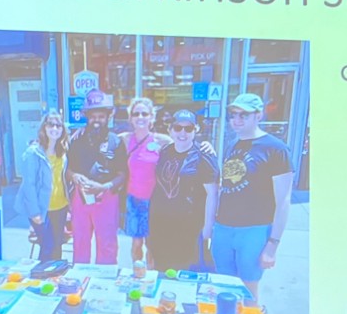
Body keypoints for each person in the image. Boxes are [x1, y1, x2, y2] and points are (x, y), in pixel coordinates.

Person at [204, 90, 296, 290]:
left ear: (258, 115)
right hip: (224, 228)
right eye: (234, 115)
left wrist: (272, 245)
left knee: (248, 290)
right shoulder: (232, 145)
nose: (236, 120)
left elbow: (283, 201)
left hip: (254, 231)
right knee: (224, 287)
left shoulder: (276, 149)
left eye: (243, 115)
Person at [147, 108, 215, 272]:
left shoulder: (203, 156)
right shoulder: (164, 151)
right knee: (161, 269)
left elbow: (212, 194)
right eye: (178, 128)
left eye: (188, 128)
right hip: (160, 224)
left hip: (188, 228)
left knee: (186, 274)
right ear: (170, 130)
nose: (182, 133)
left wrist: (208, 228)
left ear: (195, 130)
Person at [67, 89, 127, 265]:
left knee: (107, 244)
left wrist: (105, 186)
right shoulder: (76, 140)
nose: (96, 121)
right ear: (86, 116)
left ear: (108, 117)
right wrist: (75, 176)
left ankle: (104, 283)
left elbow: (122, 175)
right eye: (93, 116)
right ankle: (79, 279)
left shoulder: (116, 141)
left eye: (101, 116)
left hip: (107, 198)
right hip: (81, 197)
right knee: (80, 242)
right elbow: (68, 169)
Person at [18, 106, 70, 261]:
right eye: (50, 125)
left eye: (58, 125)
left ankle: (54, 278)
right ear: (44, 128)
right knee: (47, 246)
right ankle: (41, 279)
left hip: (60, 206)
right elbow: (29, 185)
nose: (55, 128)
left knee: (57, 246)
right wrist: (34, 212)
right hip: (41, 209)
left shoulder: (63, 151)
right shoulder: (33, 153)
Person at [119, 96, 167, 266]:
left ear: (151, 118)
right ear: (130, 118)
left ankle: (151, 277)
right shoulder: (125, 139)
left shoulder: (162, 141)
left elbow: (186, 146)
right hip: (134, 200)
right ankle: (137, 274)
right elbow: (101, 143)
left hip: (155, 201)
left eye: (144, 114)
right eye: (136, 113)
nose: (140, 117)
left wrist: (207, 146)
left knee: (152, 245)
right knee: (137, 243)